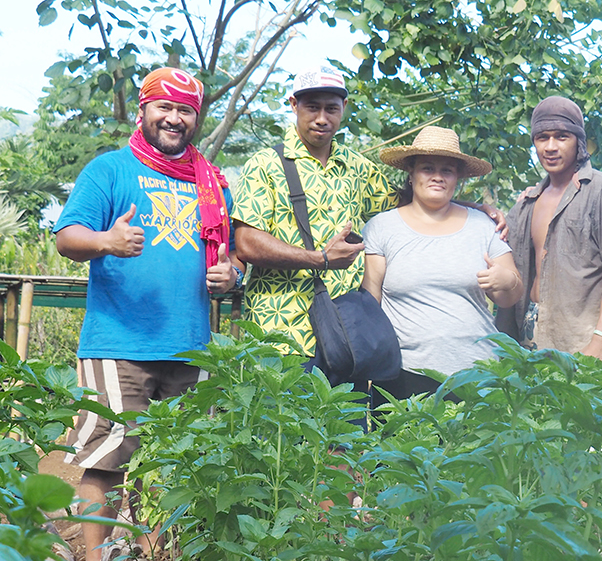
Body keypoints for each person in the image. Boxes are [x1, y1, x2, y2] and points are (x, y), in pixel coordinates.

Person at [53, 67, 242, 561]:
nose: (174, 119)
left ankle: (155, 554)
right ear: (143, 110)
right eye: (165, 107)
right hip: (120, 343)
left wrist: (230, 277)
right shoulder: (109, 170)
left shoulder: (212, 183)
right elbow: (66, 237)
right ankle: (93, 557)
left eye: (186, 111)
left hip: (191, 346)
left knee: (177, 465)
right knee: (106, 458)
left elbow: (226, 257)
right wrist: (106, 242)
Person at [232, 64, 507, 358]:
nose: (322, 119)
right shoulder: (265, 164)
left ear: (344, 108)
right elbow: (247, 243)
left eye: (331, 109)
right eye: (312, 108)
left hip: (345, 336)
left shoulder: (356, 167)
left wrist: (470, 207)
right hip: (281, 333)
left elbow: (408, 200)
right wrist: (320, 259)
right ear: (293, 105)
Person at [360, 126, 523, 398]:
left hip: (476, 373)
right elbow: (370, 301)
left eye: (447, 170)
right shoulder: (381, 227)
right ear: (410, 174)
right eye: (427, 168)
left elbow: (511, 296)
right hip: (402, 374)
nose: (437, 177)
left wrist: (506, 281)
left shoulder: (484, 226)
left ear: (457, 177)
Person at [495, 96, 602, 359]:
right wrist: (487, 210)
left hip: (583, 341)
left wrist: (601, 341)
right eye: (542, 137)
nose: (550, 146)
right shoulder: (527, 202)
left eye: (561, 136)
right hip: (530, 334)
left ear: (578, 141)